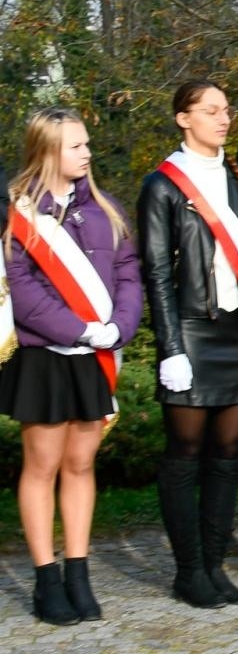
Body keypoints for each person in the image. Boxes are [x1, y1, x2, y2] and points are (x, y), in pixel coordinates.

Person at [139, 80, 238, 607]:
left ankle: (214, 565)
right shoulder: (162, 185)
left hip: (237, 330)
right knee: (185, 454)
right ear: (183, 118)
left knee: (228, 453)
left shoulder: (236, 178)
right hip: (191, 331)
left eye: (226, 110)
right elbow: (157, 273)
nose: (224, 119)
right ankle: (188, 571)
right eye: (210, 111)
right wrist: (170, 348)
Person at [1, 108, 142, 625]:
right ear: (47, 150)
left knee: (81, 464)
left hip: (95, 354)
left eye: (86, 143)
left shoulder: (106, 208)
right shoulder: (16, 213)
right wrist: (79, 330)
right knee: (42, 466)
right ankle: (46, 579)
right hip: (45, 355)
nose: (87, 153)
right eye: (76, 146)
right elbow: (22, 289)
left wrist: (120, 326)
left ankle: (78, 573)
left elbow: (128, 273)